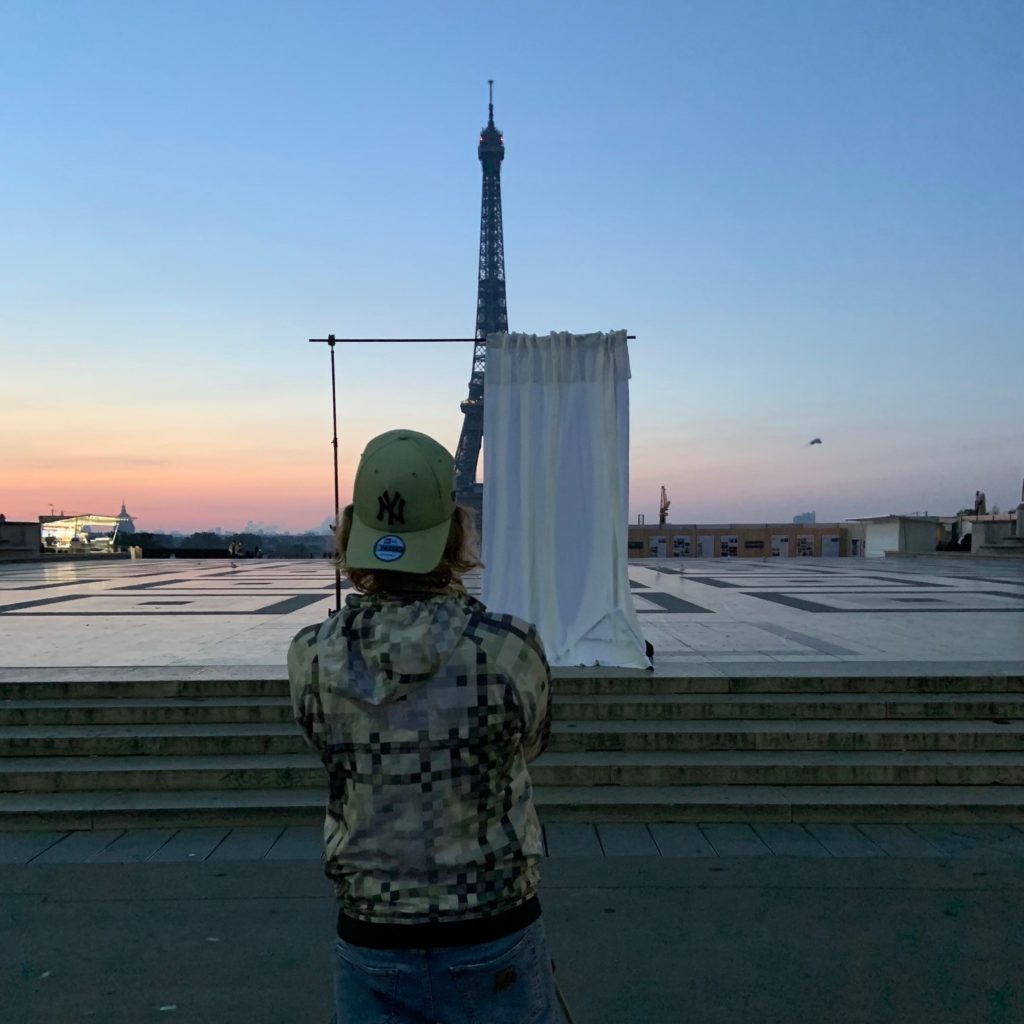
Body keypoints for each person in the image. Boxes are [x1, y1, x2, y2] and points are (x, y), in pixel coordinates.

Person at [287, 428, 562, 1024]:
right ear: (456, 532)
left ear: (353, 530)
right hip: (493, 922)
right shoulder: (509, 647)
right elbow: (532, 743)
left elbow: (327, 750)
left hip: (372, 927)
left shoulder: (311, 654)